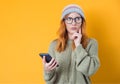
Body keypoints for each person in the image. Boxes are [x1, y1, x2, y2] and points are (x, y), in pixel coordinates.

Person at [42, 4, 100, 84]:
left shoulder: (91, 43)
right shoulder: (54, 45)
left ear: (82, 21)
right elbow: (49, 81)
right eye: (69, 19)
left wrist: (78, 46)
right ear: (64, 22)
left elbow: (90, 70)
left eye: (77, 18)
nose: (74, 23)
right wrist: (48, 70)